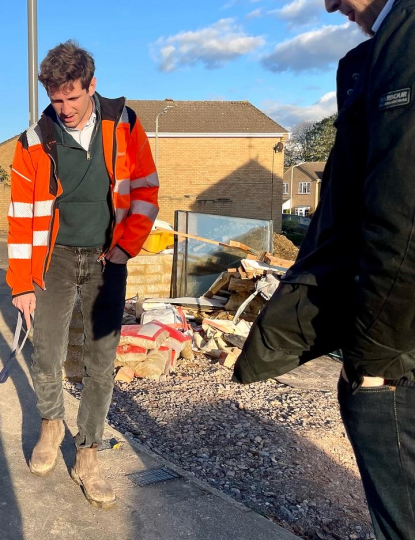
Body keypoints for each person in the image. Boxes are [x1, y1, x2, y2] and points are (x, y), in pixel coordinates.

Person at [234, 1, 415, 538]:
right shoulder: (381, 51)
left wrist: (373, 363)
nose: (331, 4)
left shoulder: (405, 45)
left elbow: (401, 221)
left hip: (397, 357)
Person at [7, 40, 159, 508]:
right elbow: (20, 217)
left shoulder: (125, 125)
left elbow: (147, 191)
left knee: (100, 361)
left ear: (92, 86)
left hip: (105, 260)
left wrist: (124, 248)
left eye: (73, 97)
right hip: (52, 262)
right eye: (56, 99)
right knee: (46, 355)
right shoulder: (32, 142)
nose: (65, 108)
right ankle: (52, 424)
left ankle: (89, 450)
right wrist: (21, 284)